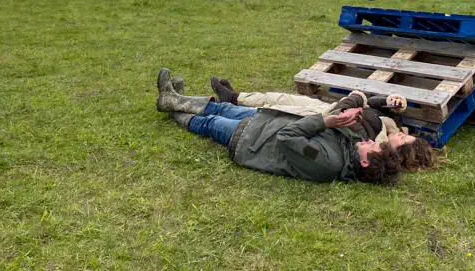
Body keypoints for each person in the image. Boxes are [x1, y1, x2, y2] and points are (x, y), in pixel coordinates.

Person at [156, 69, 436, 185]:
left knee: (208, 123)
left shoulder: (327, 164)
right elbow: (347, 114)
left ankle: (172, 105)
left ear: (365, 162)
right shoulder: (350, 149)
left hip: (250, 140)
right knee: (220, 107)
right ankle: (176, 99)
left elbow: (288, 138)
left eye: (372, 147)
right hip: (266, 121)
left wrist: (327, 121)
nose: (372, 142)